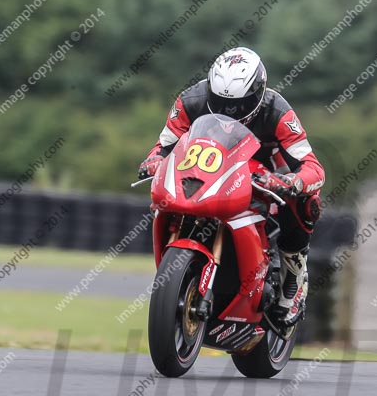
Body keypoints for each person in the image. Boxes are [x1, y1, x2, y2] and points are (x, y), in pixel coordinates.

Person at [138, 47, 325, 329]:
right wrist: (153, 161)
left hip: (265, 171)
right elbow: (164, 146)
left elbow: (313, 167)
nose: (229, 111)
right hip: (209, 169)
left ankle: (293, 280)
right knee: (163, 197)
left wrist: (292, 182)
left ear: (258, 93)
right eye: (221, 102)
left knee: (305, 202)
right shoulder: (190, 101)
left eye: (239, 104)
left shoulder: (278, 111)